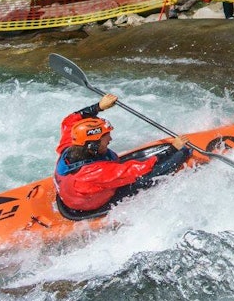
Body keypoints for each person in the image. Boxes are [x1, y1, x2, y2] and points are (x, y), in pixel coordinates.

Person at [54, 93, 193, 217]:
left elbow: (69, 121)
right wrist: (173, 149)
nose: (110, 139)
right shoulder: (95, 173)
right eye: (106, 137)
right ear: (93, 145)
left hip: (79, 191)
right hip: (91, 205)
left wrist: (98, 107)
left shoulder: (70, 145)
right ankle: (185, 153)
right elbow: (142, 169)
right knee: (150, 173)